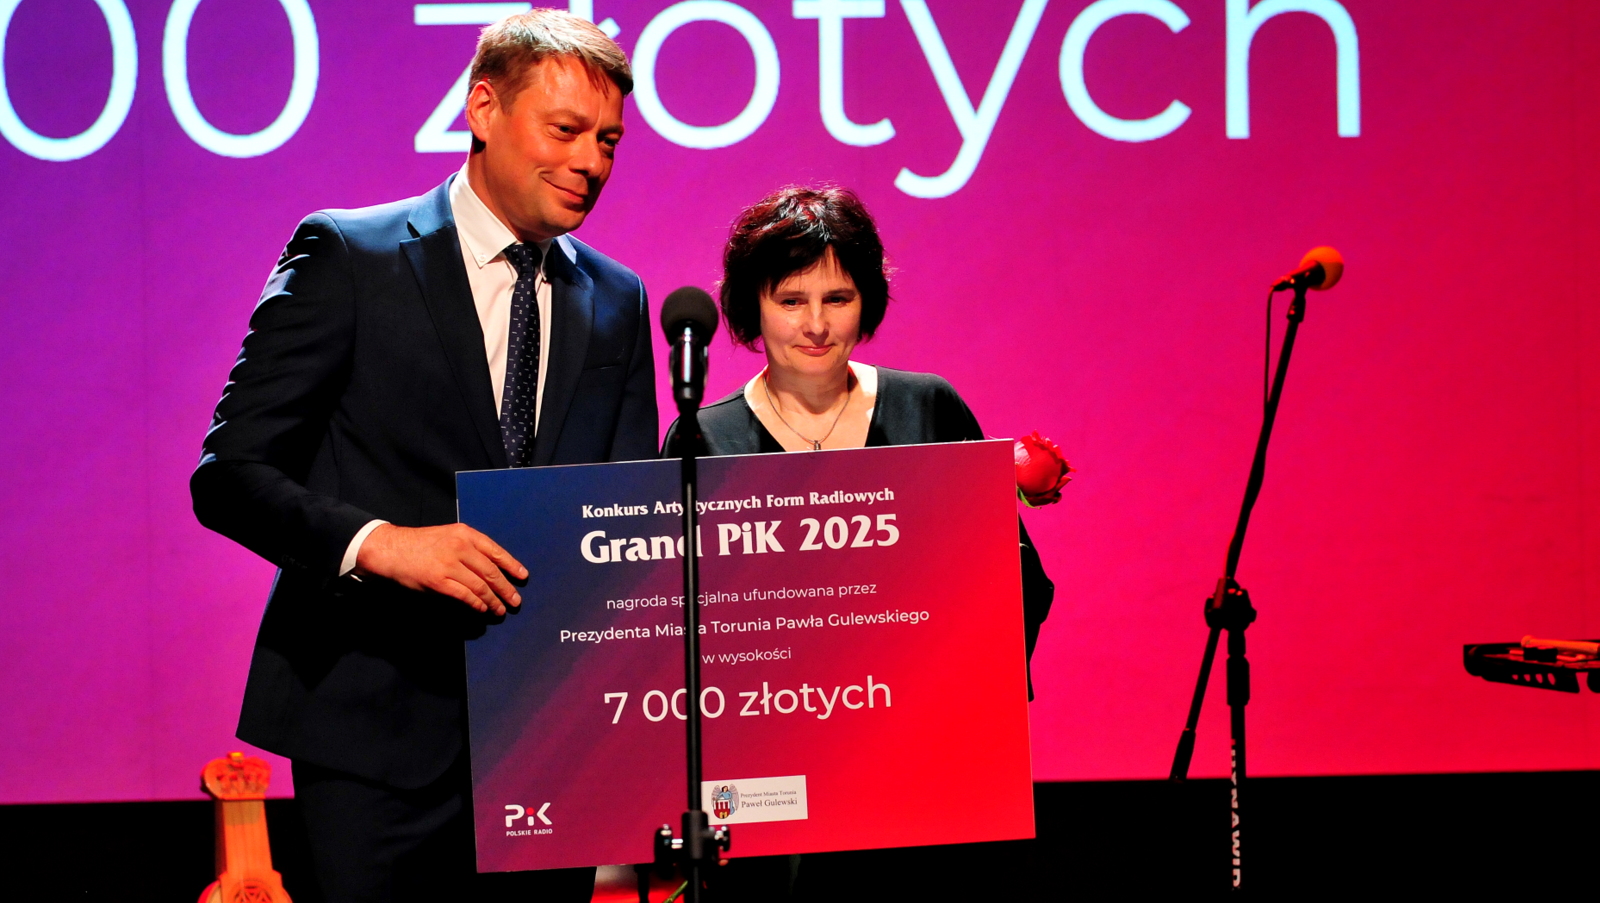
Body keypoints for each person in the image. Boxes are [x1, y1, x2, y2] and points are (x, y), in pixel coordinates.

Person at [190, 10, 655, 901]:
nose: (591, 163)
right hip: (372, 732)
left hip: (544, 745)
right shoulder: (350, 256)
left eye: (607, 141)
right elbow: (230, 476)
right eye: (565, 130)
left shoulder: (616, 298)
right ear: (483, 109)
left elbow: (622, 517)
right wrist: (382, 544)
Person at [663, 186, 1054, 901]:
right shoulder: (704, 440)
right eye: (791, 299)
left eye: (837, 298)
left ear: (866, 301)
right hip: (768, 802)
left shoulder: (927, 408)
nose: (816, 324)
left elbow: (1017, 591)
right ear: (752, 306)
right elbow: (679, 634)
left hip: (922, 786)